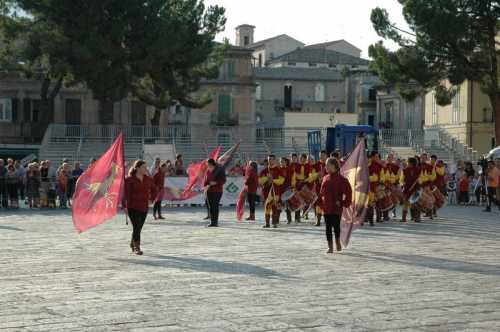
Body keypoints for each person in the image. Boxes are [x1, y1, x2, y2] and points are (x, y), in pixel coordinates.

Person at [320, 158, 352, 253]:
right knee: (328, 227)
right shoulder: (325, 178)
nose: (326, 167)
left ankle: (337, 242)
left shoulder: (342, 179)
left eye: (328, 165)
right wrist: (320, 199)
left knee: (336, 226)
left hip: (336, 207)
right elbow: (321, 192)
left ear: (334, 166)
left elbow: (349, 192)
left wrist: (343, 202)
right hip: (326, 207)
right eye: (326, 165)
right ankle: (330, 246)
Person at [124, 160, 156, 255]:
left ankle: (132, 243)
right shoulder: (129, 180)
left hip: (144, 207)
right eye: (144, 167)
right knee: (137, 226)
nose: (146, 169)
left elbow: (155, 189)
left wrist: (152, 199)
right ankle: (137, 247)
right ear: (137, 168)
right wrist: (125, 206)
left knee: (138, 227)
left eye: (146, 167)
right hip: (132, 206)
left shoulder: (148, 179)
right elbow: (126, 194)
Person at [259, 155, 284, 228]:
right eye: (269, 159)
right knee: (267, 206)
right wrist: (267, 178)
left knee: (274, 206)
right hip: (266, 191)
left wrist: (273, 180)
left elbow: (281, 181)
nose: (270, 161)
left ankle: (274, 223)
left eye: (272, 159)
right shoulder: (264, 170)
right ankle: (267, 223)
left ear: (274, 160)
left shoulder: (278, 170)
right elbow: (260, 181)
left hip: (275, 191)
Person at [203, 159, 226, 227]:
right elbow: (205, 181)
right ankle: (212, 222)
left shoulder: (220, 170)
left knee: (215, 206)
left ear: (211, 164)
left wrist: (216, 182)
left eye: (208, 164)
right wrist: (206, 185)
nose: (207, 165)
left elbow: (223, 180)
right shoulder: (207, 171)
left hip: (217, 191)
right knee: (210, 207)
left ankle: (215, 222)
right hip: (209, 191)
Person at [400, 157, 423, 222]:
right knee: (407, 203)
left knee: (414, 203)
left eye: (408, 162)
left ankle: (416, 217)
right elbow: (401, 180)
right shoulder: (404, 170)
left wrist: (419, 180)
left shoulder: (419, 170)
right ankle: (404, 218)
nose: (407, 163)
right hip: (407, 189)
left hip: (415, 188)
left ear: (411, 163)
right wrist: (403, 184)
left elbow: (421, 179)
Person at [312, 150, 328, 226]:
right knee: (318, 202)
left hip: (328, 187)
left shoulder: (329, 164)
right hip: (318, 186)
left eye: (323, 155)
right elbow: (312, 175)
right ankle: (318, 219)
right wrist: (317, 175)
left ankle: (327, 219)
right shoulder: (316, 165)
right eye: (320, 155)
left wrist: (325, 177)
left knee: (327, 202)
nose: (321, 156)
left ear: (326, 155)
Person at [367, 152, 383, 226]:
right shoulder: (367, 164)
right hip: (368, 186)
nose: (377, 158)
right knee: (370, 203)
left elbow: (382, 175)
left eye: (378, 157)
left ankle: (378, 217)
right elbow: (364, 174)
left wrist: (380, 180)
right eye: (376, 156)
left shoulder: (380, 166)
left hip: (377, 186)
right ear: (372, 157)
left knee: (378, 202)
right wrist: (372, 178)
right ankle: (369, 220)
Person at [280, 157, 294, 224]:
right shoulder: (278, 169)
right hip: (279, 189)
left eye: (282, 161)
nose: (281, 162)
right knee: (279, 204)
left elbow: (293, 179)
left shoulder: (289, 169)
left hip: (287, 189)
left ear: (286, 162)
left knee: (287, 205)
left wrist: (292, 186)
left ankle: (289, 219)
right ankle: (276, 219)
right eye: (280, 161)